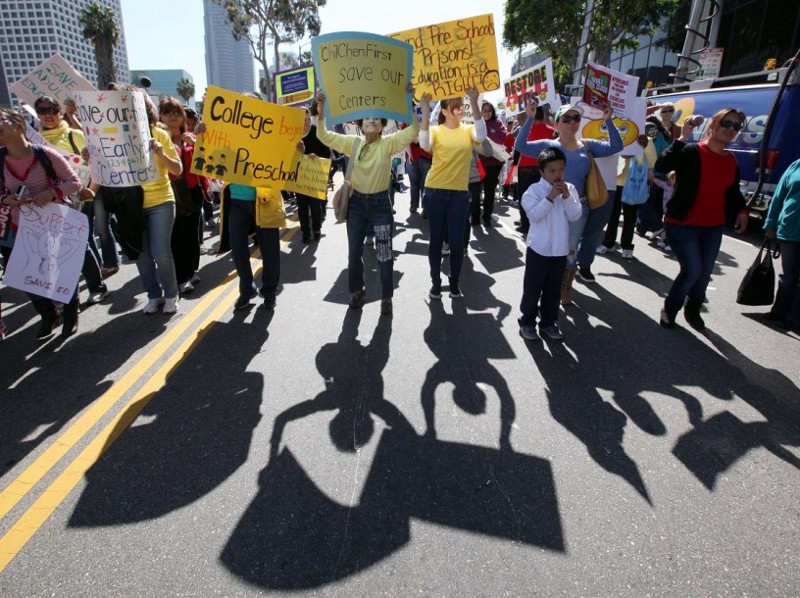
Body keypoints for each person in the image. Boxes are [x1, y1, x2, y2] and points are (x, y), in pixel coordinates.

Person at [315, 89, 419, 315]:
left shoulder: (389, 143)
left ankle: (386, 297)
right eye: (367, 118)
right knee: (354, 253)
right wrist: (321, 110)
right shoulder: (352, 143)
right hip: (356, 207)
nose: (371, 121)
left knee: (384, 254)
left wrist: (409, 101)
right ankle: (356, 291)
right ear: (360, 124)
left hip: (381, 206)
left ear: (382, 125)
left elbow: (413, 131)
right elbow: (323, 136)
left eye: (376, 119)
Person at [514, 103, 622, 304]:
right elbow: (521, 146)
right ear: (556, 124)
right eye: (567, 119)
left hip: (576, 205)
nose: (573, 122)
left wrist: (608, 121)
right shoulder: (549, 145)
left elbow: (616, 146)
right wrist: (529, 118)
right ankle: (546, 286)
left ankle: (564, 289)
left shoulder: (587, 145)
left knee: (570, 248)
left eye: (576, 119)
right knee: (547, 247)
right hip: (550, 204)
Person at [655, 108, 749, 331]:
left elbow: (733, 190)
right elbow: (661, 168)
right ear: (714, 124)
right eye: (726, 123)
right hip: (682, 224)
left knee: (704, 274)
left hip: (713, 226)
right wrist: (682, 138)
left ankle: (693, 309)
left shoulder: (731, 160)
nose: (730, 129)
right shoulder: (691, 151)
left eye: (736, 126)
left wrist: (742, 211)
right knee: (692, 271)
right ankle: (670, 309)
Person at [0, 107, 81, 338]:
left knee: (62, 271)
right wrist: (6, 199)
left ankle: (70, 313)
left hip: (54, 225)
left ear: (18, 125)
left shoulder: (45, 155)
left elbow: (73, 182)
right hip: (18, 229)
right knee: (26, 277)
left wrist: (52, 192)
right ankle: (48, 314)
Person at [34, 95, 109, 304]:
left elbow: (98, 162)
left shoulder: (74, 135)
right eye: (42, 110)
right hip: (48, 201)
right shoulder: (34, 140)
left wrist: (91, 188)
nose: (48, 114)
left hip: (78, 196)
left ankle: (96, 286)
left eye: (52, 110)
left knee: (77, 243)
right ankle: (66, 293)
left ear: (60, 112)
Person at [118, 85, 183, 315]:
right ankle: (154, 295)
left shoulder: (160, 134)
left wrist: (161, 154)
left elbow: (178, 170)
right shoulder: (114, 134)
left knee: (161, 253)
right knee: (142, 257)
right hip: (132, 205)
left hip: (161, 201)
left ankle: (171, 294)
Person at [419, 88, 487, 299]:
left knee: (457, 243)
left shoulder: (468, 130)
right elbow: (424, 144)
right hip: (434, 192)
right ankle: (436, 283)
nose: (460, 109)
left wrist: (474, 102)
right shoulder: (436, 130)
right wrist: (423, 108)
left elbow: (482, 135)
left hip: (459, 194)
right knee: (437, 241)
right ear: (445, 110)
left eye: (461, 105)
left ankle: (454, 282)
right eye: (456, 106)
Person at [518, 147, 582, 341]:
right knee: (532, 289)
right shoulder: (533, 191)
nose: (557, 175)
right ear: (542, 172)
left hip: (559, 251)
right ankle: (527, 321)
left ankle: (548, 322)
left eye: (561, 170)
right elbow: (535, 215)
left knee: (553, 290)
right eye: (552, 171)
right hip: (539, 249)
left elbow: (575, 215)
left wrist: (566, 197)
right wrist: (550, 197)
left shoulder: (569, 189)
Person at [159, 98, 203, 294]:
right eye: (167, 113)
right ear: (160, 116)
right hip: (170, 192)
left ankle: (192, 270)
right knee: (177, 236)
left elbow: (205, 163)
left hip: (193, 191)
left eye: (176, 113)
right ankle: (182, 277)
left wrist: (196, 145)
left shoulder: (190, 138)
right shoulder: (157, 139)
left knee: (192, 235)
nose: (172, 117)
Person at [598, 134, 657, 258]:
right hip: (615, 182)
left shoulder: (647, 140)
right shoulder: (616, 136)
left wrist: (639, 151)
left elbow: (650, 163)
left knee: (630, 218)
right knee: (612, 216)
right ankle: (608, 243)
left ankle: (627, 246)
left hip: (633, 184)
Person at [763, 157, 800, 330]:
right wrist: (771, 223)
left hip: (791, 229)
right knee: (788, 276)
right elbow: (779, 195)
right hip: (790, 229)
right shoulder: (796, 165)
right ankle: (779, 311)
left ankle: (794, 317)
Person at [512, 102, 555, 235]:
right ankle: (540, 223)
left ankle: (525, 224)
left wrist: (514, 164)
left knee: (525, 197)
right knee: (543, 197)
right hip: (544, 169)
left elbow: (517, 149)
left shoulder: (524, 130)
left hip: (525, 166)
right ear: (543, 116)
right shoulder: (552, 131)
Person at [295, 106, 331, 243]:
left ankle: (316, 229)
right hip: (299, 177)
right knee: (302, 207)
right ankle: (305, 233)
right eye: (303, 120)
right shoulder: (293, 135)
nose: (306, 123)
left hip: (315, 176)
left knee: (316, 207)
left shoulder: (316, 132)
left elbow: (327, 153)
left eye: (308, 119)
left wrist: (316, 156)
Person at [476, 101, 507, 225]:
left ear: (493, 112)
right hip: (478, 163)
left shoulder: (498, 123)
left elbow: (501, 139)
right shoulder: (476, 124)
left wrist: (485, 137)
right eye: (484, 110)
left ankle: (487, 217)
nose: (486, 113)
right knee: (475, 191)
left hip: (494, 164)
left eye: (489, 110)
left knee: (489, 192)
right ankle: (475, 215)